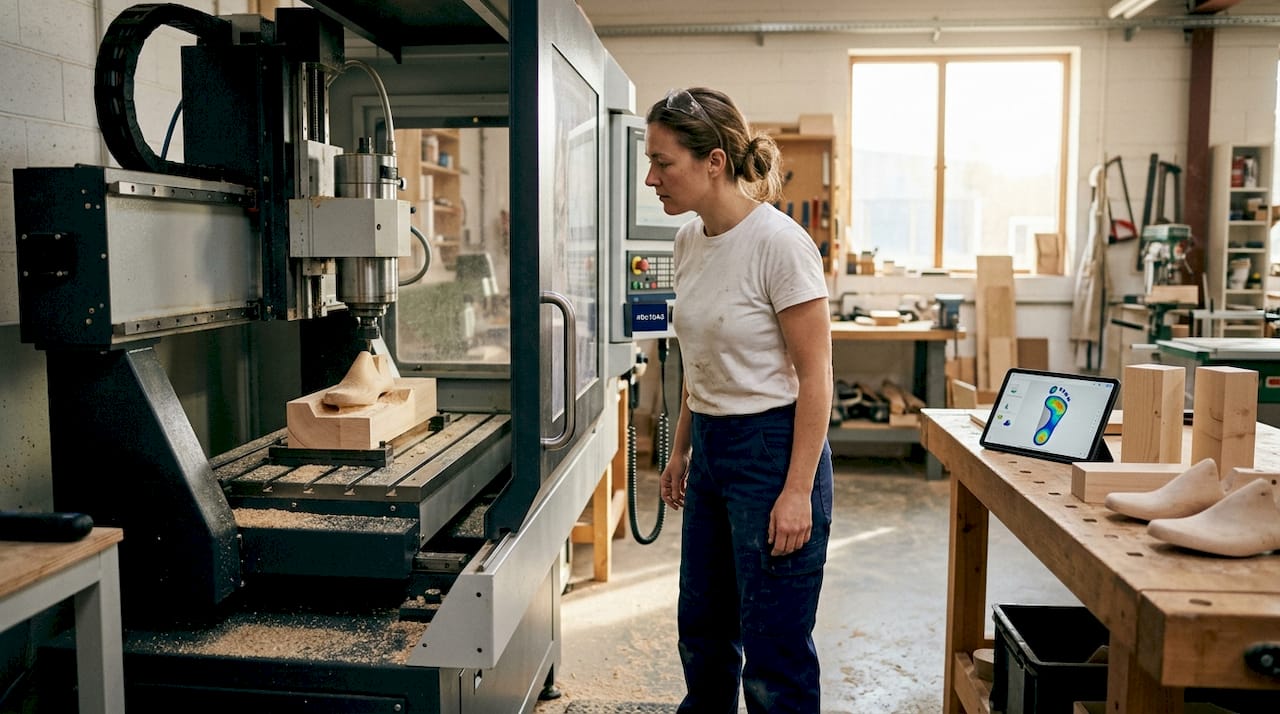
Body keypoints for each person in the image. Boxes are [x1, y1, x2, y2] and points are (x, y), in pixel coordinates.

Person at [647, 87, 834, 713]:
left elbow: (817, 377)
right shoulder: (688, 242)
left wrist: (797, 490)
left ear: (714, 162)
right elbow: (698, 361)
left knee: (773, 649)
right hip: (713, 449)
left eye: (664, 163)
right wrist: (679, 451)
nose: (652, 178)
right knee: (703, 632)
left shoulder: (780, 244)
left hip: (773, 448)